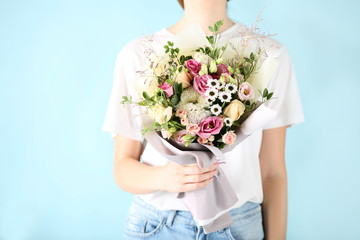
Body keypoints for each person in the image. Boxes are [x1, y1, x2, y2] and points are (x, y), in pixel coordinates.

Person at [102, 0, 305, 239]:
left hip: (240, 225)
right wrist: (166, 177)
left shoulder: (269, 54)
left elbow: (273, 172)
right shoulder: (138, 54)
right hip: (158, 226)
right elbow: (122, 169)